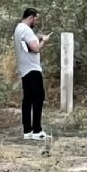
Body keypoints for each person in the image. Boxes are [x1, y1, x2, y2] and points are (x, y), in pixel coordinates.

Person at [14, 8, 51, 141]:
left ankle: (27, 131)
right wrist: (44, 41)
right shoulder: (27, 30)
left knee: (27, 99)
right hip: (33, 69)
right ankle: (37, 130)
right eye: (36, 19)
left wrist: (38, 37)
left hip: (24, 69)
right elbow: (35, 48)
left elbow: (28, 44)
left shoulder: (19, 29)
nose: (37, 21)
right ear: (31, 17)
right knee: (38, 98)